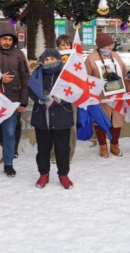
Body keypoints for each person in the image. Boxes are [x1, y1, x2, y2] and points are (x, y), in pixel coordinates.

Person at [28, 49, 74, 189]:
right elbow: (30, 90)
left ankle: (63, 174)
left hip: (62, 116)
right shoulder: (36, 74)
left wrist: (60, 99)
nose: (49, 62)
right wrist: (41, 99)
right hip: (42, 117)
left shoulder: (66, 74)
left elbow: (74, 90)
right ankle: (44, 173)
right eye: (46, 59)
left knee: (62, 148)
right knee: (43, 148)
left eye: (52, 59)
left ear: (58, 59)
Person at [0, 23, 30, 177]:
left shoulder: (19, 54)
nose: (7, 42)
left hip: (12, 101)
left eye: (10, 39)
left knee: (10, 133)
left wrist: (23, 102)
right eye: (4, 38)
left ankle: (8, 163)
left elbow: (25, 77)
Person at [85, 33, 130, 158]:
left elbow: (124, 74)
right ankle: (102, 146)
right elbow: (86, 78)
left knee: (117, 120)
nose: (110, 47)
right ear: (100, 46)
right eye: (107, 45)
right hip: (100, 97)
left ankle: (115, 144)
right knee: (100, 121)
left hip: (117, 95)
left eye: (111, 45)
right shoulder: (91, 58)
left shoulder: (116, 56)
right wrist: (89, 95)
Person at [50, 34, 77, 164]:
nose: (65, 47)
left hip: (71, 97)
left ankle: (69, 153)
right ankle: (54, 153)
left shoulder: (76, 60)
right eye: (62, 45)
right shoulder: (52, 59)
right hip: (55, 96)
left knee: (70, 127)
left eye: (67, 45)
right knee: (54, 126)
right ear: (58, 47)